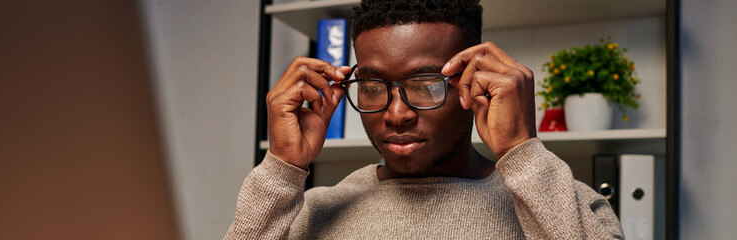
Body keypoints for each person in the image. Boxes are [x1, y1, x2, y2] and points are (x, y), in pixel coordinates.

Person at [225, 0, 623, 239]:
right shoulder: (311, 212)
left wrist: (522, 151)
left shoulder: (570, 206)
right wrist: (281, 171)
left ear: (473, 80)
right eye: (373, 85)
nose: (396, 114)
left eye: (425, 84)